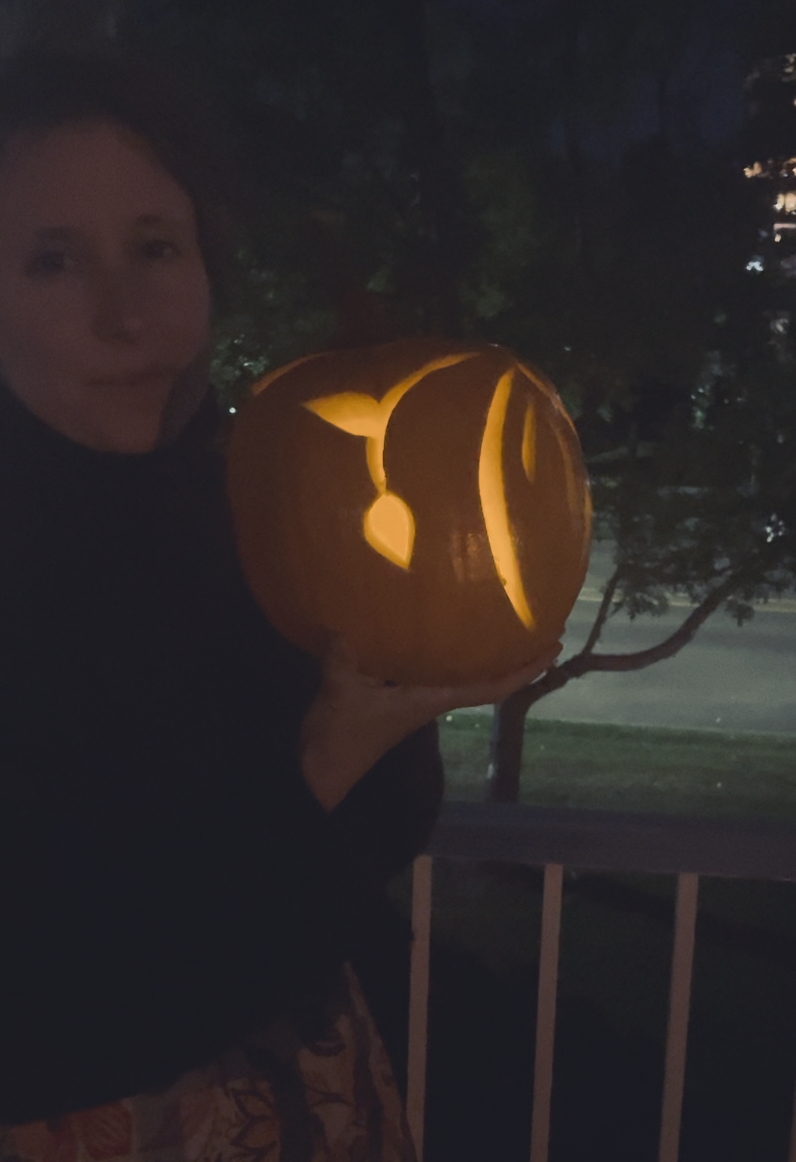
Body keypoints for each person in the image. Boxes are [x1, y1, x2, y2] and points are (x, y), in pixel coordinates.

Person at [0, 48, 561, 1162]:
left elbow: (379, 829)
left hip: (322, 1105)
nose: (126, 317)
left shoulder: (252, 505)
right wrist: (321, 761)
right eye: (53, 262)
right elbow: (48, 1017)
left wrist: (399, 684)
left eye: (156, 247)